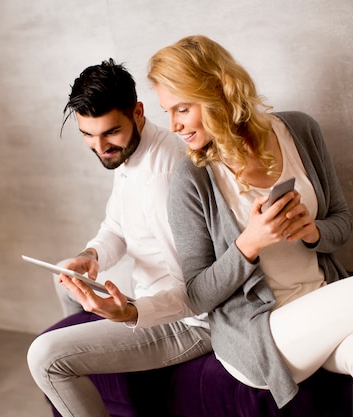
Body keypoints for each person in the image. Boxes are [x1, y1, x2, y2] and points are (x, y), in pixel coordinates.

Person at [147, 35, 353, 416]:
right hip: (260, 329)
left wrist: (312, 232)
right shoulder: (192, 178)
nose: (173, 125)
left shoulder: (299, 131)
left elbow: (342, 223)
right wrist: (248, 244)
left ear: (217, 92)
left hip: (322, 298)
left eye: (182, 109)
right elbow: (198, 294)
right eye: (167, 111)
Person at [27, 59, 210, 417]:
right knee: (65, 274)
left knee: (45, 358)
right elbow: (116, 226)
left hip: (185, 321)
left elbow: (195, 290)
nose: (100, 147)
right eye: (87, 134)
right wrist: (92, 255)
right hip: (151, 292)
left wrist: (129, 312)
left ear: (138, 112)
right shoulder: (131, 154)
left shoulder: (163, 176)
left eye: (110, 132)